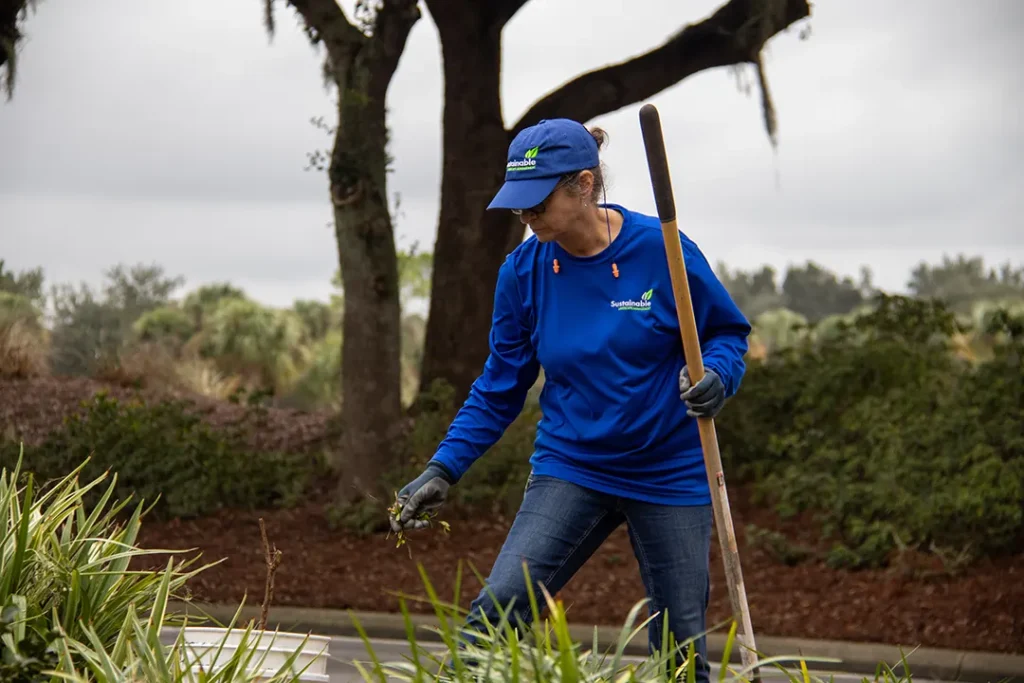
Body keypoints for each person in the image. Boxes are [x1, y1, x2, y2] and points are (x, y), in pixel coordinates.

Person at [389, 117, 751, 683]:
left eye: (537, 203)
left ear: (583, 185)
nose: (526, 218)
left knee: (681, 650)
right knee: (496, 612)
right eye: (518, 206)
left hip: (671, 472)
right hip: (573, 465)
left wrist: (718, 378)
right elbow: (500, 385)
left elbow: (726, 335)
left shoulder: (663, 250)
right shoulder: (524, 272)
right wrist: (444, 466)